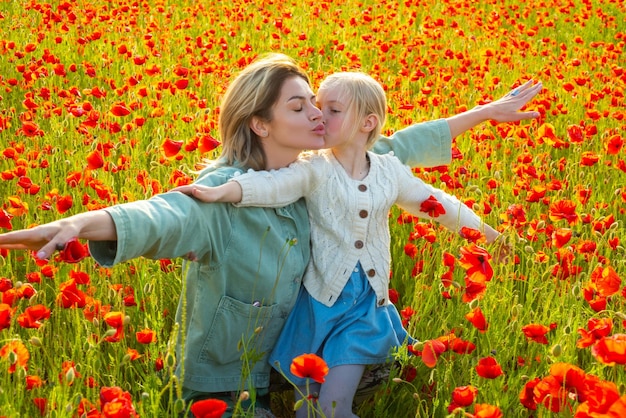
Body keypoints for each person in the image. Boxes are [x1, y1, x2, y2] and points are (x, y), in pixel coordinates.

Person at [0, 53, 541, 418]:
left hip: (294, 359)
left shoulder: (320, 169)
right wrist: (78, 223)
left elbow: (394, 151)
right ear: (260, 123)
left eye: (318, 103)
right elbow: (158, 216)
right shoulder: (222, 195)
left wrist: (490, 112)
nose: (317, 115)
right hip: (227, 382)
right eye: (299, 105)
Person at [170, 72, 513, 418]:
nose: (319, 116)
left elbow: (436, 203)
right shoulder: (315, 168)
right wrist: (220, 191)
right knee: (307, 411)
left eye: (332, 110)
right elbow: (270, 185)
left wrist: (489, 236)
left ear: (368, 122)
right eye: (319, 107)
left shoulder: (389, 171)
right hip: (318, 305)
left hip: (363, 310)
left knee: (334, 407)